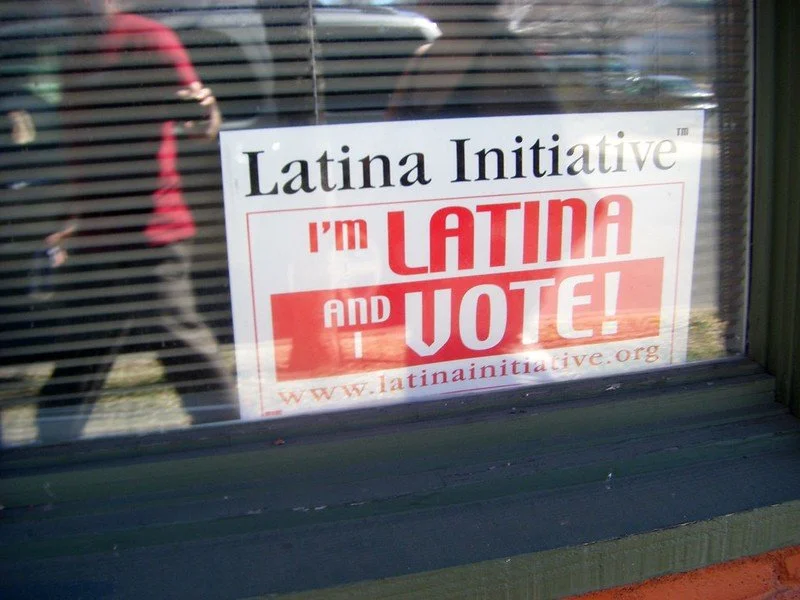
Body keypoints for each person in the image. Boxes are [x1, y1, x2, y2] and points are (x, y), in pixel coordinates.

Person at [36, 0, 239, 443]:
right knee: (83, 352)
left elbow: (201, 120)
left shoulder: (146, 39)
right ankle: (47, 458)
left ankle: (231, 444)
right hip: (94, 232)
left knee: (180, 342)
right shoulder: (75, 56)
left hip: (151, 231)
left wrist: (204, 110)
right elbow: (84, 150)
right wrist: (70, 218)